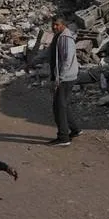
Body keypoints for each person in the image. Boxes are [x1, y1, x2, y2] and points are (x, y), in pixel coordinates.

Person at [48, 17, 81, 147]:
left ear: (63, 25)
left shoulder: (66, 38)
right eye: (53, 25)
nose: (54, 27)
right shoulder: (58, 36)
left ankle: (63, 137)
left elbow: (67, 60)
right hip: (65, 76)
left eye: (57, 25)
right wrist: (33, 62)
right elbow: (49, 53)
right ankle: (75, 130)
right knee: (63, 104)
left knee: (58, 107)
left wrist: (59, 78)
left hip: (66, 77)